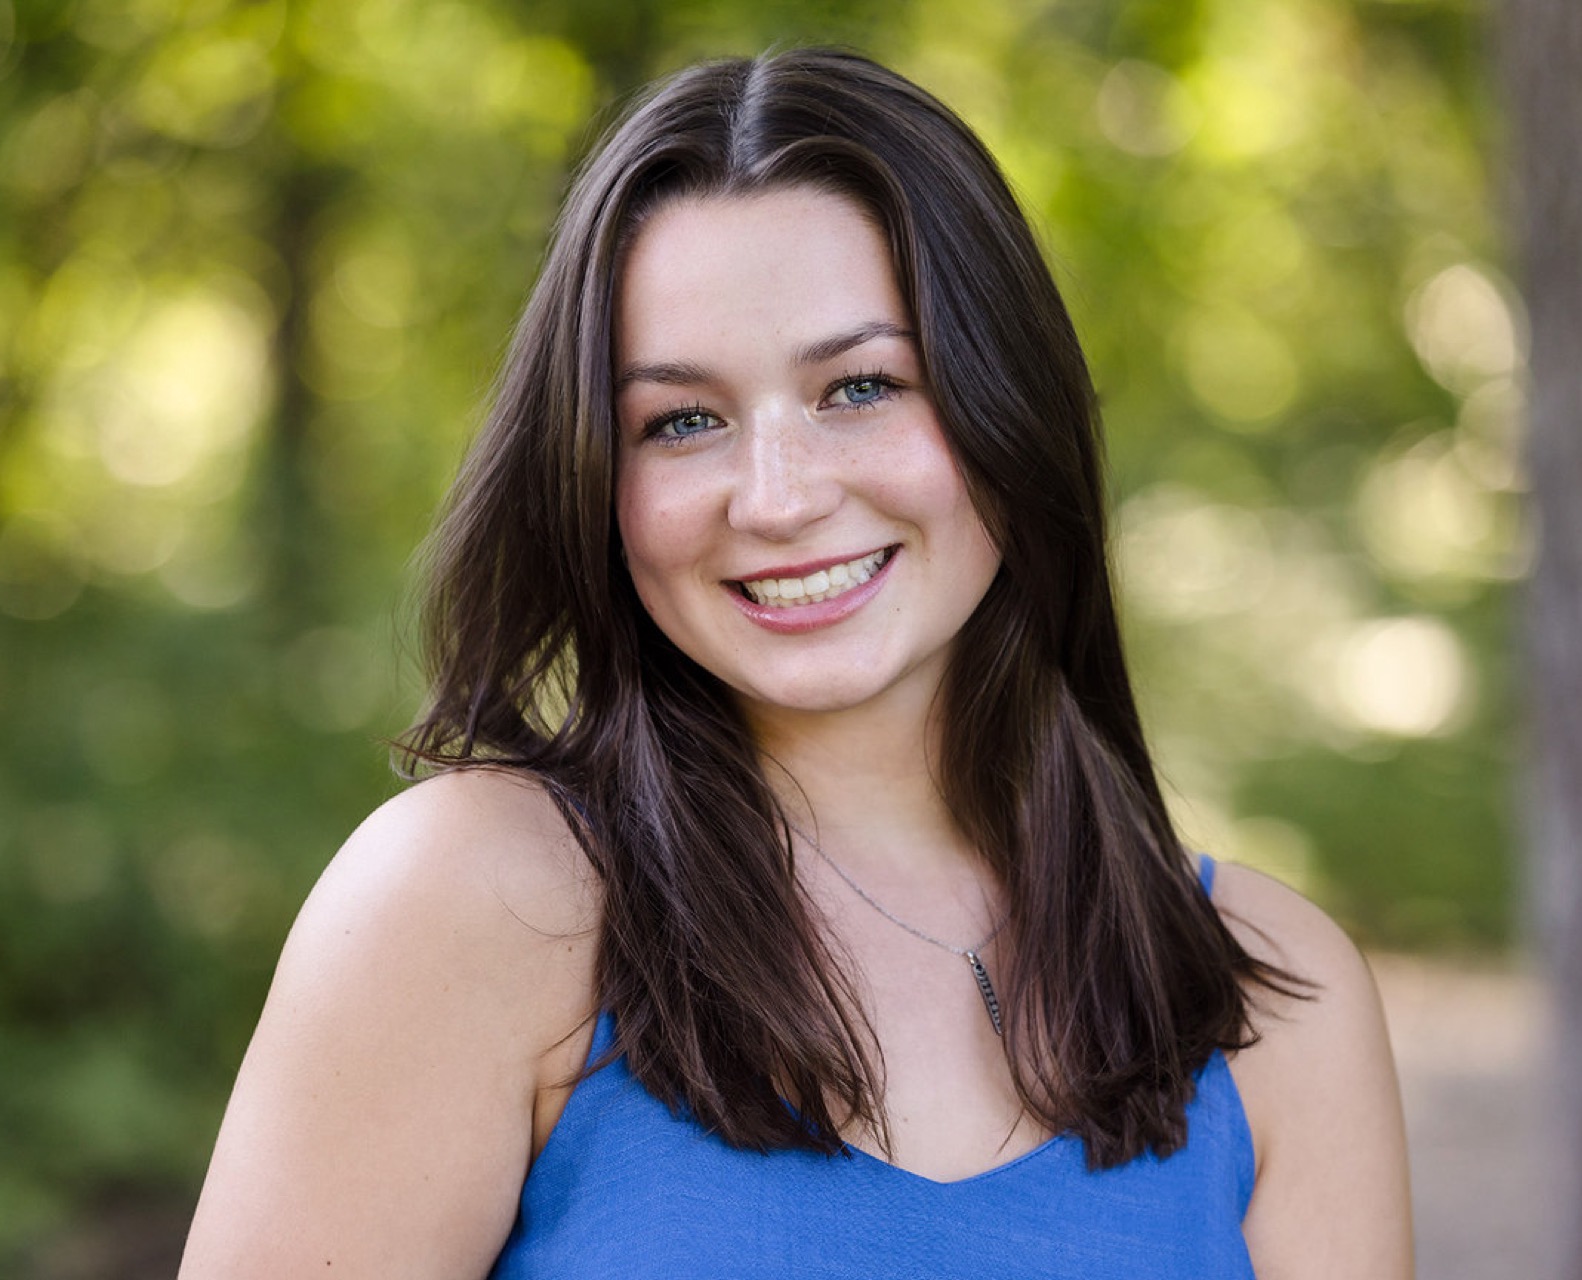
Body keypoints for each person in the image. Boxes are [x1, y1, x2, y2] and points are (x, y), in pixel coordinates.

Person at [179, 48, 1412, 1278]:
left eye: (862, 385)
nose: (774, 498)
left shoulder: (1281, 1001)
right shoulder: (476, 902)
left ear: (1010, 408)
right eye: (683, 420)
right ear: (596, 473)